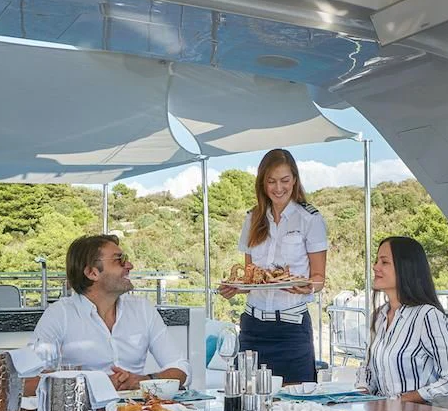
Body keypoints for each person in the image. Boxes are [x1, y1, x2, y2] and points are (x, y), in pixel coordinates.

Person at [27, 233, 189, 393]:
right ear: (92, 273)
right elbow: (27, 381)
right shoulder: (59, 315)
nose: (129, 265)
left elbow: (181, 368)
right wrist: (97, 384)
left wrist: (144, 381)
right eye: (120, 260)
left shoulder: (143, 309)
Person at [217, 148, 327, 384]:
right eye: (272, 181)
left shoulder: (310, 218)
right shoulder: (252, 218)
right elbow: (250, 279)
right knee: (250, 402)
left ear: (295, 180)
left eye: (285, 180)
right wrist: (234, 289)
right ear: (262, 183)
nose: (279, 188)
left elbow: (319, 278)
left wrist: (307, 287)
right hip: (253, 328)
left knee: (295, 407)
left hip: (292, 329)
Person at [357, 236, 448, 404]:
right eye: (376, 261)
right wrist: (362, 390)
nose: (375, 267)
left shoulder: (427, 316)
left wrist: (405, 399)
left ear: (406, 268)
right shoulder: (379, 317)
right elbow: (368, 371)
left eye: (384, 262)